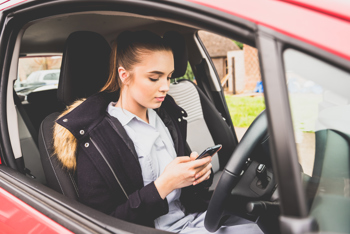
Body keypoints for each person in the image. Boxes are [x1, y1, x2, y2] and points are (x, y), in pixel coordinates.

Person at [53, 31, 262, 233]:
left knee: (264, 224)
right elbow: (101, 223)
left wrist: (199, 175)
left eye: (169, 77)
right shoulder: (95, 137)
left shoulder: (168, 115)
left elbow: (188, 193)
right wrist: (164, 185)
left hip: (193, 217)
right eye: (155, 78)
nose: (165, 87)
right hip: (148, 230)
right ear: (124, 76)